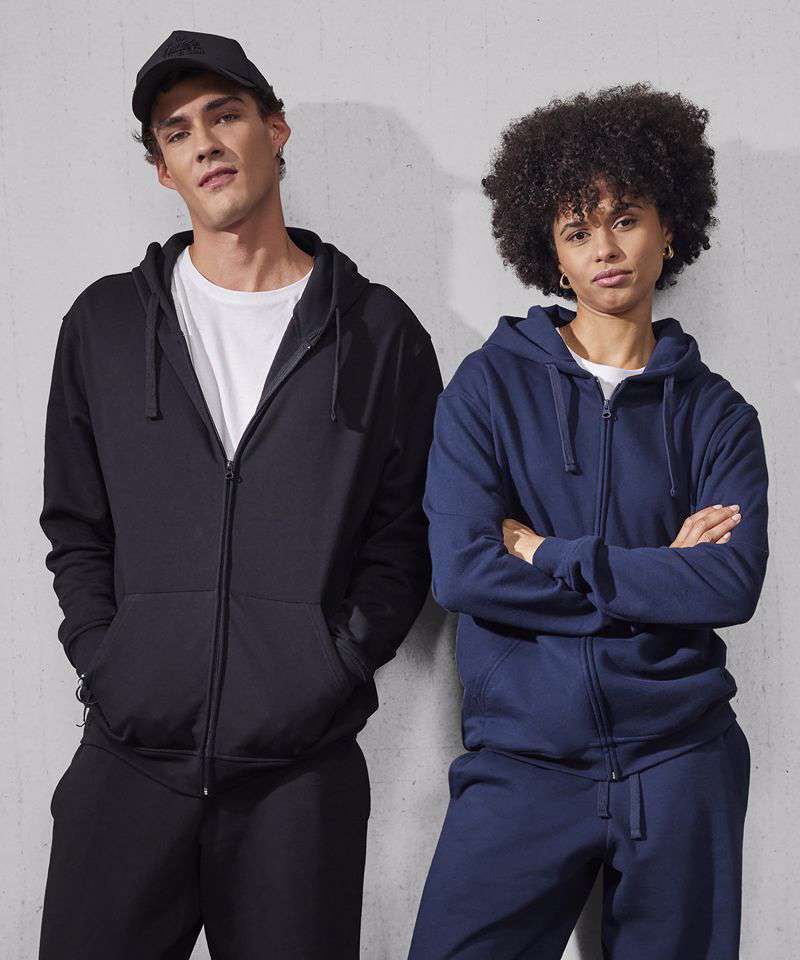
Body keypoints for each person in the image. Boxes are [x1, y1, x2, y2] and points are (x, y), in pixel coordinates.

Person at [38, 29, 442, 960]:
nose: (205, 144)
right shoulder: (104, 324)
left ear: (276, 129)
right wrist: (108, 659)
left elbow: (405, 533)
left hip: (298, 780)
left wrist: (334, 667)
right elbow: (76, 524)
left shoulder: (380, 334)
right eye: (177, 132)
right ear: (162, 169)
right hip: (130, 761)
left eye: (225, 116)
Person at [409, 82, 768, 959]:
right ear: (554, 256)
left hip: (681, 762)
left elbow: (728, 584)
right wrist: (654, 579)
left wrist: (544, 552)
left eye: (626, 220)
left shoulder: (718, 415)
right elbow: (462, 571)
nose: (605, 248)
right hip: (523, 763)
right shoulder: (487, 389)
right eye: (578, 231)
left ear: (669, 230)